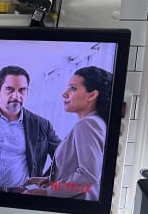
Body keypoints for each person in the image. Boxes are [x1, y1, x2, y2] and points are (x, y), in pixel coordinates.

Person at [25, 66, 113, 201]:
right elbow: (85, 172)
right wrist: (50, 180)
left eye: (73, 88)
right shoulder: (96, 122)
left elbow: (88, 176)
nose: (64, 94)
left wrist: (48, 192)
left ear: (92, 95)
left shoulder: (88, 124)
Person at [0, 65, 61, 192]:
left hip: (21, 195)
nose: (16, 96)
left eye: (22, 90)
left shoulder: (42, 125)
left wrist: (46, 180)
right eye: (10, 89)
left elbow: (64, 156)